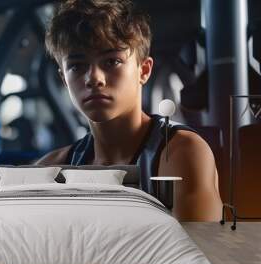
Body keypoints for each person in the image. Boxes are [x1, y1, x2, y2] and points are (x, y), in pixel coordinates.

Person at [35, 0, 222, 221]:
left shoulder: (181, 153)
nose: (93, 78)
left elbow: (198, 251)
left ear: (144, 70)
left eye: (112, 61)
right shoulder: (51, 168)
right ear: (64, 80)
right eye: (77, 66)